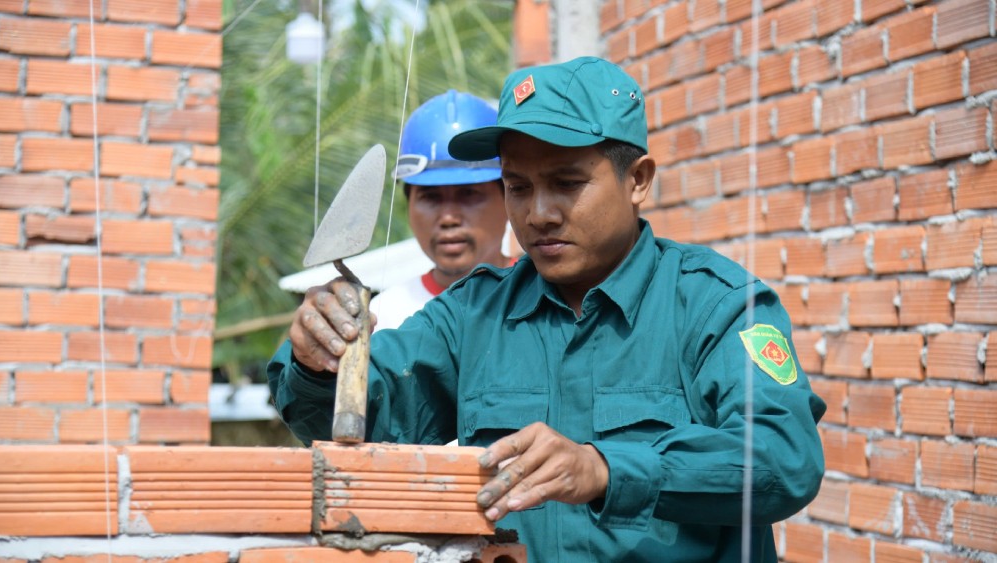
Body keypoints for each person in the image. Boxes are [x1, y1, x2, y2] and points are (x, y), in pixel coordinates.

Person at [269, 57, 826, 562]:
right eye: (516, 186)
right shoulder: (473, 315)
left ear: (638, 180)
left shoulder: (717, 305)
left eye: (567, 184)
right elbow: (359, 422)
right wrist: (317, 361)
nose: (538, 213)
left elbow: (783, 460)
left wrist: (607, 470)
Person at [373, 89, 511, 330]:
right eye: (431, 197)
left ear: (510, 198)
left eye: (469, 194)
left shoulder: (550, 300)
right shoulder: (383, 319)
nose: (448, 218)